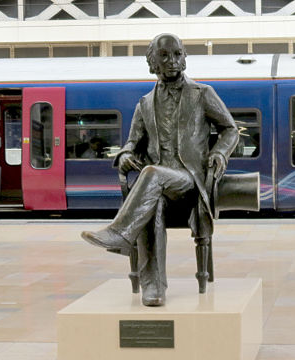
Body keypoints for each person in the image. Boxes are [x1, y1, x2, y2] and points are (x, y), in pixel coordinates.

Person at [81, 33, 238, 306]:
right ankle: (153, 287)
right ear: (152, 62)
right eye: (164, 56)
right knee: (151, 203)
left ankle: (120, 233)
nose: (172, 61)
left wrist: (219, 153)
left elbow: (230, 129)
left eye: (177, 54)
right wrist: (127, 155)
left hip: (190, 181)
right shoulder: (144, 104)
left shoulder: (203, 94)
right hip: (157, 189)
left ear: (185, 57)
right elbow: (131, 143)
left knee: (151, 173)